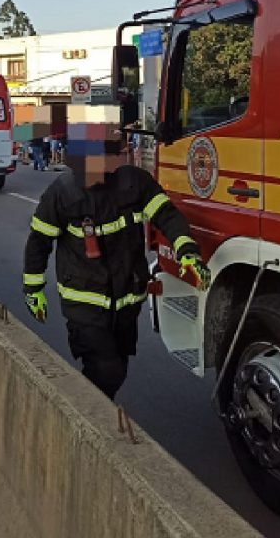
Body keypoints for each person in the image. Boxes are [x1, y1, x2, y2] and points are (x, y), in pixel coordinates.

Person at [22, 150, 211, 400]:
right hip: (84, 301)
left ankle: (89, 412)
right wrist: (33, 289)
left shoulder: (135, 182)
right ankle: (82, 417)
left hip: (126, 301)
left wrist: (187, 251)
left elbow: (167, 215)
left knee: (116, 368)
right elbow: (39, 242)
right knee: (107, 369)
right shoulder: (63, 192)